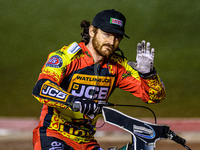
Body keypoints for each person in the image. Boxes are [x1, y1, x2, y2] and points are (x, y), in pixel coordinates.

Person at [32, 9, 166, 150]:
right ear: (92, 31)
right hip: (53, 135)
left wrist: (148, 74)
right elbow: (41, 88)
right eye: (106, 34)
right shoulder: (67, 57)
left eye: (117, 37)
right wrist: (74, 101)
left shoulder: (118, 67)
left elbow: (154, 96)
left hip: (86, 141)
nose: (111, 42)